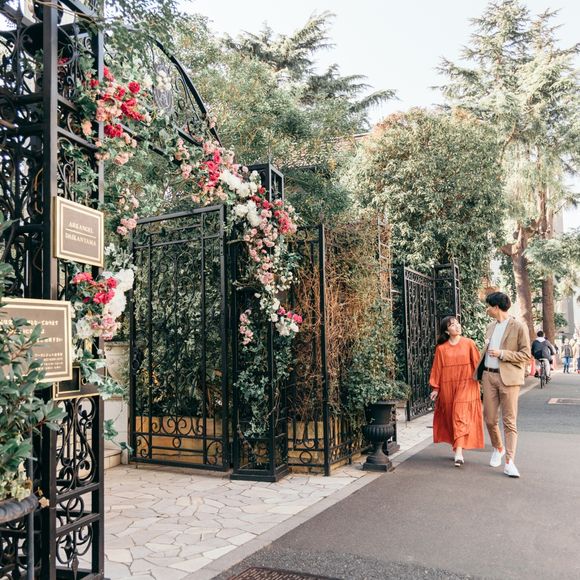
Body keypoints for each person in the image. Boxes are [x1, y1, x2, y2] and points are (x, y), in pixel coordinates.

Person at [475, 292, 531, 478]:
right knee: (490, 419)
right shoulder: (490, 326)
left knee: (509, 421)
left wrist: (502, 354)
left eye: (489, 306)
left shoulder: (518, 326)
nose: (487, 309)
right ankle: (498, 447)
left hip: (509, 379)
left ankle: (509, 462)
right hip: (488, 376)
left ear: (496, 307)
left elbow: (525, 355)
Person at [429, 315, 484, 467]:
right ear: (447, 331)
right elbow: (437, 369)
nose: (457, 326)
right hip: (448, 386)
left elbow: (478, 365)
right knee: (451, 416)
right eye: (452, 325)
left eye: (458, 323)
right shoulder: (441, 349)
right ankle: (457, 445)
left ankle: (458, 453)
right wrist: (436, 388)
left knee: (460, 414)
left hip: (467, 384)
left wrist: (483, 382)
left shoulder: (469, 343)